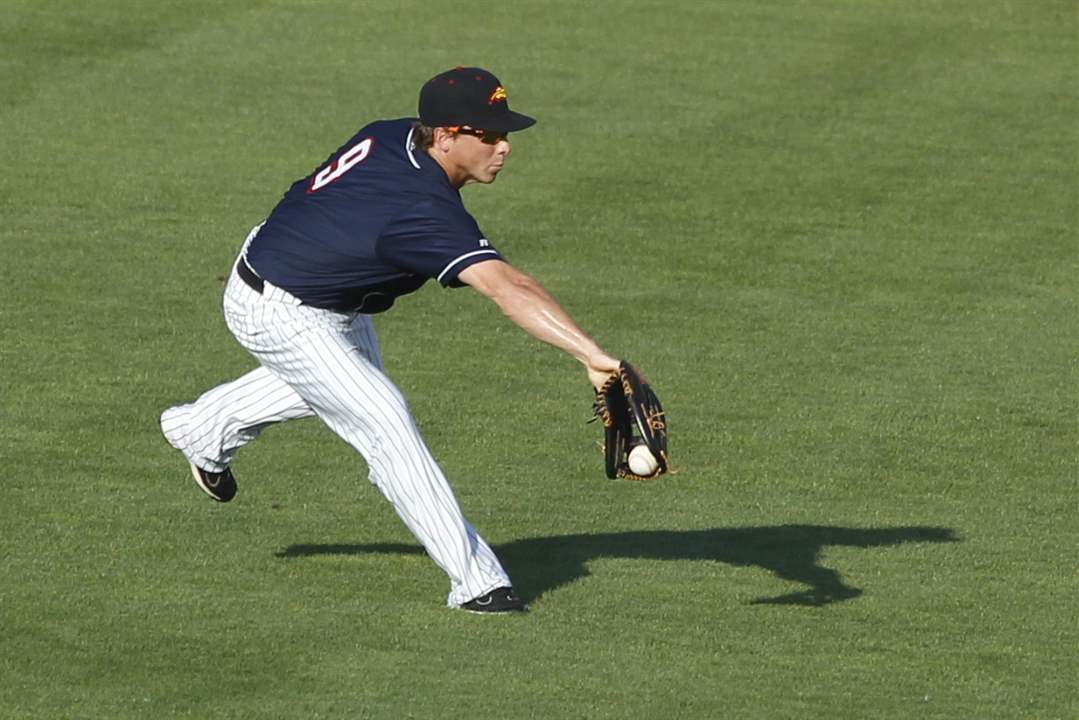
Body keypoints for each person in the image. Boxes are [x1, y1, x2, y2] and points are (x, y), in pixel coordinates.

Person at [160, 67, 621, 614]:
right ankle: (476, 582)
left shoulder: (394, 132)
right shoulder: (421, 209)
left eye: (505, 133)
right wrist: (592, 355)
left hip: (310, 279)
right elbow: (508, 288)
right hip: (279, 308)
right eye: (489, 135)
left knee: (341, 388)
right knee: (384, 419)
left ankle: (200, 428)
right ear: (446, 137)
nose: (504, 147)